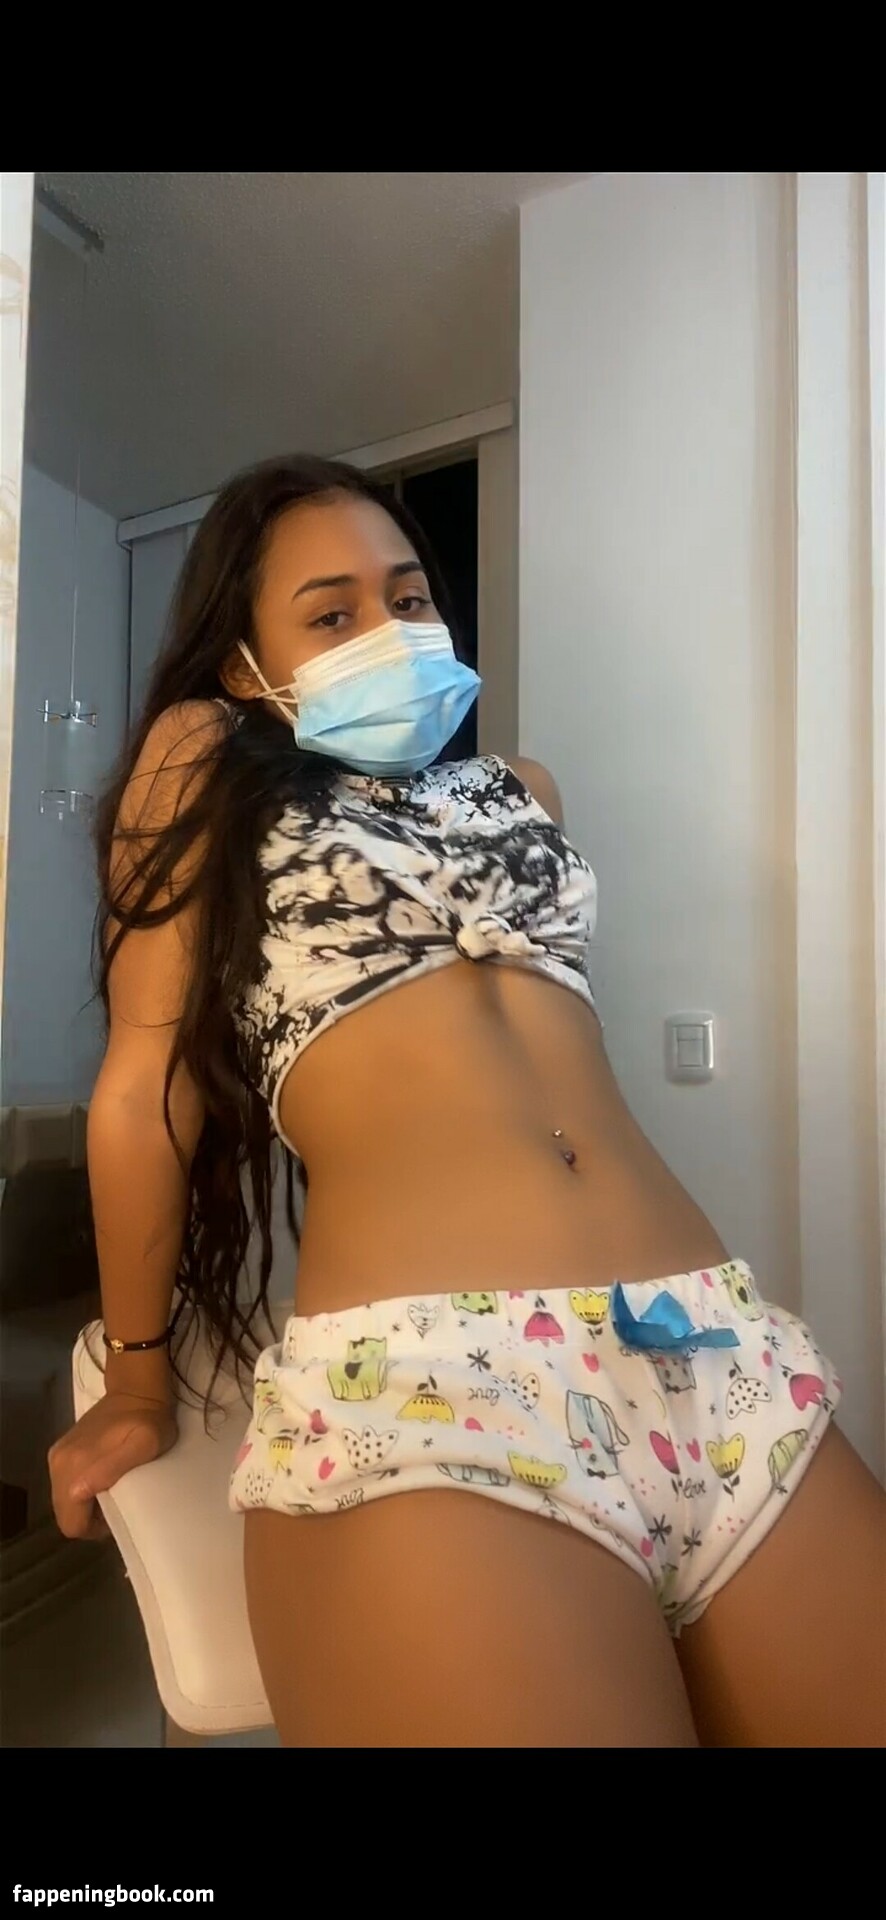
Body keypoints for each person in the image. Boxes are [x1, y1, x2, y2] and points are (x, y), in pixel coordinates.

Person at [49, 455, 885, 1749]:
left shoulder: (523, 790)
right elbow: (143, 1086)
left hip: (710, 1345)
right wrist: (137, 1376)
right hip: (432, 1382)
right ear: (246, 667)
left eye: (408, 598)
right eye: (331, 614)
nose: (389, 632)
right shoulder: (201, 755)